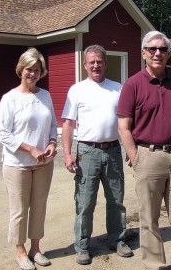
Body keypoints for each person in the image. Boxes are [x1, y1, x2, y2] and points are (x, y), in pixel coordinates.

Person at [117, 30, 171, 270]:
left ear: (168, 54)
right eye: (152, 49)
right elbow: (124, 127)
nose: (157, 53)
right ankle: (155, 266)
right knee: (149, 219)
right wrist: (136, 157)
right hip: (148, 157)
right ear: (143, 53)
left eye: (162, 49)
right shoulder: (133, 84)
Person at [61, 44, 134, 265]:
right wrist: (66, 154)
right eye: (91, 62)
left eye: (99, 61)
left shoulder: (118, 88)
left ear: (105, 63)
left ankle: (117, 239)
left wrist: (131, 148)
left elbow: (127, 122)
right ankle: (83, 245)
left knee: (116, 199)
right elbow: (68, 124)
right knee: (85, 202)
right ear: (85, 65)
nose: (95, 65)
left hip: (112, 150)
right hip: (87, 152)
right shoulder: (77, 90)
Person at [0, 47, 57, 270]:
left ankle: (36, 248)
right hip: (17, 164)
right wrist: (30, 149)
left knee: (39, 206)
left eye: (37, 70)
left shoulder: (45, 95)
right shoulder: (9, 99)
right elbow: (3, 134)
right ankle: (20, 251)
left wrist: (52, 143)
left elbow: (52, 124)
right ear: (21, 70)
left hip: (43, 164)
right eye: (29, 69)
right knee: (20, 209)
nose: (33, 74)